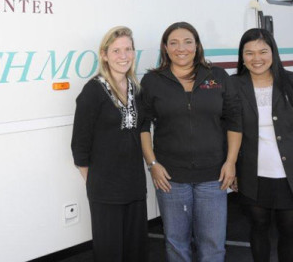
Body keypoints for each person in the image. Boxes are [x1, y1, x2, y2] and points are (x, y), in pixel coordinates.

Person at [140, 22, 242, 262]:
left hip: (213, 175)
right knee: (176, 243)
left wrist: (231, 162)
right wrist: (152, 164)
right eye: (173, 43)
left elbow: (234, 121)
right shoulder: (152, 81)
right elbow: (143, 127)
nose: (181, 48)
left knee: (213, 244)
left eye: (187, 41)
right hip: (170, 177)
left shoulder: (216, 76)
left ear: (197, 46)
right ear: (165, 48)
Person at [71, 26, 148, 262]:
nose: (123, 56)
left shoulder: (137, 88)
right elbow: (79, 146)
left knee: (135, 250)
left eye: (128, 49)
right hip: (105, 190)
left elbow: (141, 129)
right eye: (116, 50)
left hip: (134, 185)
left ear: (134, 53)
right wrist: (96, 181)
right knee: (110, 253)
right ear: (104, 54)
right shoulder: (93, 91)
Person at [231, 28, 293, 262]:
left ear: (273, 53)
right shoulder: (232, 85)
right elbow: (225, 130)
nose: (257, 59)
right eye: (249, 53)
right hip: (253, 174)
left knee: (288, 230)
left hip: (288, 174)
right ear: (242, 57)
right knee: (259, 227)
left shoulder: (290, 81)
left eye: (263, 52)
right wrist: (232, 167)